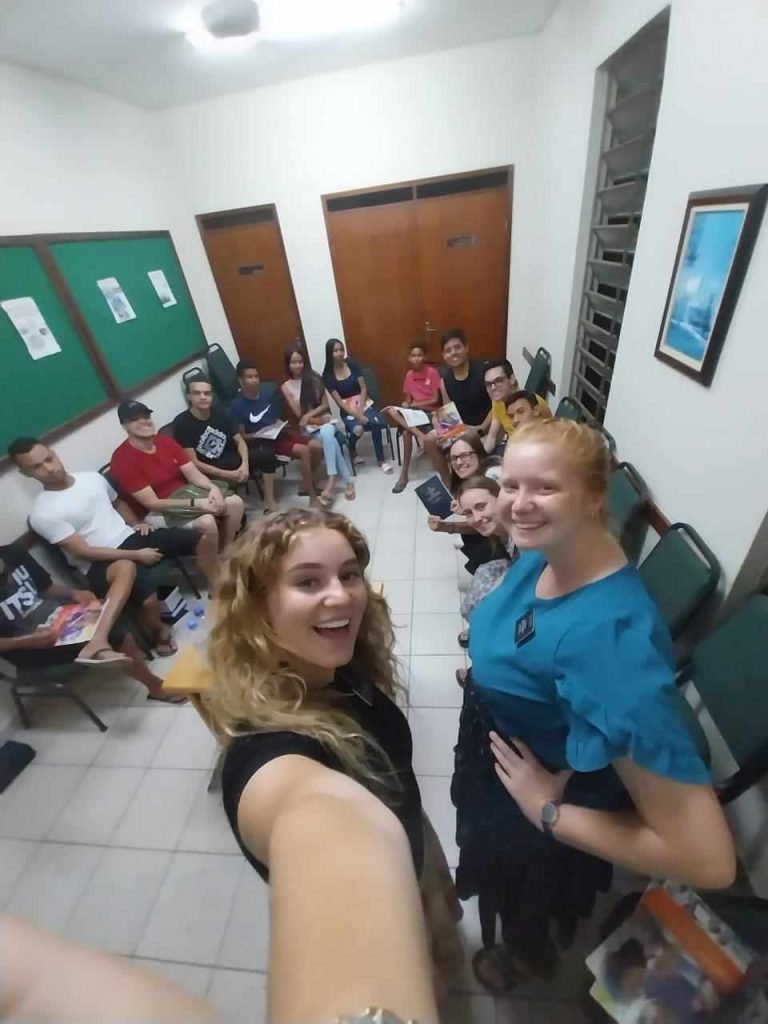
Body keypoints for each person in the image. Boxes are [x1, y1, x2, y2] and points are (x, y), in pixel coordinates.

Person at [451, 419, 735, 994]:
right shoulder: (557, 549)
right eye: (511, 485)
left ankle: (527, 958)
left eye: (545, 487)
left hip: (539, 789)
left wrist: (546, 810)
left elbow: (708, 859)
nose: (518, 504)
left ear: (594, 498)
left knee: (526, 892)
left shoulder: (608, 642)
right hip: (508, 743)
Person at [204, 509, 461, 1017]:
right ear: (258, 607)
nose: (342, 596)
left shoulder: (336, 666)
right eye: (308, 581)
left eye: (349, 574)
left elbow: (393, 782)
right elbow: (318, 825)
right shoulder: (271, 757)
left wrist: (426, 863)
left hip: (414, 852)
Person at [9, 436, 215, 650]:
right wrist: (137, 555)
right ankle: (158, 634)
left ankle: (215, 585)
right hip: (99, 563)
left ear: (54, 453)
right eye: (37, 467)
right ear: (26, 473)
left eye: (49, 459)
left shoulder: (92, 478)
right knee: (148, 598)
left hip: (130, 537)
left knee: (201, 538)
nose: (49, 468)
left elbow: (117, 502)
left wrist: (136, 523)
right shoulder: (43, 513)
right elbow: (83, 552)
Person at [0, 543, 183, 702]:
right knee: (114, 632)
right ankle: (154, 686)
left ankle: (101, 646)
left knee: (105, 612)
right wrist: (27, 641)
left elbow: (46, 588)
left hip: (55, 619)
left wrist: (74, 593)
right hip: (25, 646)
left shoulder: (13, 553)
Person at [110, 400, 244, 549]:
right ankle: (214, 557)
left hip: (185, 493)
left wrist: (212, 488)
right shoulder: (122, 459)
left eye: (146, 417)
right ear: (124, 426)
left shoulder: (164, 441)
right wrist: (198, 504)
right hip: (158, 511)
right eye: (134, 419)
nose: (143, 422)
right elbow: (153, 503)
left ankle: (227, 547)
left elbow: (193, 474)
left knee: (235, 503)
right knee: (207, 521)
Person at [173, 372, 279, 513]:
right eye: (197, 393)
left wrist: (245, 465)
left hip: (231, 458)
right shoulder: (181, 423)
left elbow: (240, 441)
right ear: (189, 396)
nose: (203, 397)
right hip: (209, 468)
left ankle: (269, 500)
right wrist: (229, 474)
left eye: (207, 393)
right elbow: (194, 462)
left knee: (267, 456)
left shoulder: (222, 413)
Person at [230, 359, 324, 506]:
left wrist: (280, 424)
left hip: (279, 433)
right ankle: (312, 497)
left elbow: (275, 418)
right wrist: (258, 434)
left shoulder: (267, 394)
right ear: (241, 380)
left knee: (317, 446)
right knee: (305, 451)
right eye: (250, 377)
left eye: (256, 376)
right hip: (263, 442)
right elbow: (242, 436)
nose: (255, 380)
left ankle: (305, 483)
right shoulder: (237, 405)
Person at [453, 476, 514, 688]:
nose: (477, 518)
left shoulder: (521, 533)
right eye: (469, 513)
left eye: (481, 507)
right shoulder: (502, 534)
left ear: (501, 498)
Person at [281, 345, 355, 507]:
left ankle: (331, 481)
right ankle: (347, 481)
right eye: (293, 362)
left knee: (327, 430)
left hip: (323, 421)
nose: (297, 365)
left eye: (300, 361)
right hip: (309, 429)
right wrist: (314, 419)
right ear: (288, 364)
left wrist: (309, 416)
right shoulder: (286, 386)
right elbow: (299, 414)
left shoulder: (314, 377)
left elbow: (324, 405)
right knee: (330, 438)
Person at [421, 330, 492, 485]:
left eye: (457, 347)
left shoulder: (483, 371)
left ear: (466, 348)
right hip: (460, 427)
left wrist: (481, 428)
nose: (453, 352)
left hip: (483, 428)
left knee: (467, 441)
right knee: (430, 439)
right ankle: (449, 483)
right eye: (448, 350)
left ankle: (474, 484)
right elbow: (448, 411)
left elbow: (497, 405)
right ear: (444, 356)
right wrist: (442, 429)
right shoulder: (444, 380)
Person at [322, 339, 394, 474]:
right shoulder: (327, 375)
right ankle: (352, 447)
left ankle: (381, 460)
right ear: (329, 353)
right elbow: (339, 402)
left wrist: (360, 411)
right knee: (358, 429)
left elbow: (363, 387)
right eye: (335, 351)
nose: (339, 353)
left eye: (341, 350)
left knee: (375, 424)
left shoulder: (352, 363)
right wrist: (356, 415)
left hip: (362, 402)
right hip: (347, 408)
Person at [383, 343, 442, 494]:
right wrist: (406, 404)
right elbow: (408, 400)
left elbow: (435, 399)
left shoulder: (432, 372)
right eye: (413, 356)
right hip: (414, 413)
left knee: (405, 432)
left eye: (419, 355)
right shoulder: (409, 375)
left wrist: (415, 404)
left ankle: (404, 474)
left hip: (430, 413)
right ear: (409, 358)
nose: (416, 358)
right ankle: (421, 438)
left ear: (425, 357)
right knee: (391, 411)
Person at [482, 360, 551, 454]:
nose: (493, 388)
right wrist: (481, 458)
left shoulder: (533, 403)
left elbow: (541, 444)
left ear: (512, 379)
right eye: (489, 384)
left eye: (498, 381)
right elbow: (492, 436)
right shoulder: (498, 400)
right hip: (513, 445)